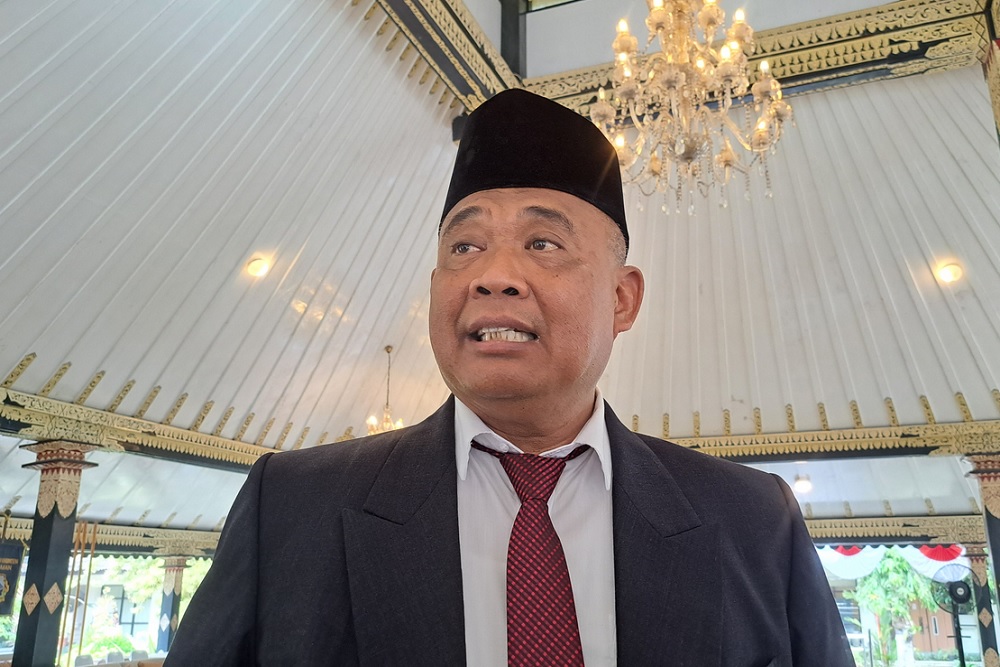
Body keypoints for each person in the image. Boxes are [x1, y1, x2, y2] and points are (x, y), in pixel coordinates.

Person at [164, 89, 854, 666]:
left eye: (542, 243)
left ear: (622, 299)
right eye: (465, 246)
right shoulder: (291, 508)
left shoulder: (754, 521)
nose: (493, 276)